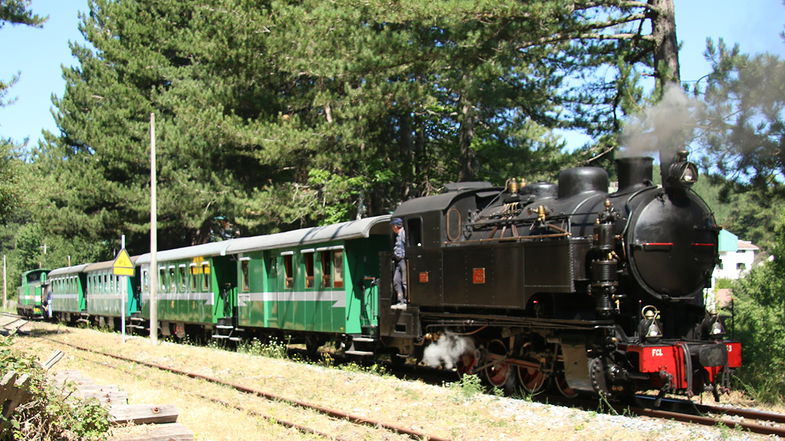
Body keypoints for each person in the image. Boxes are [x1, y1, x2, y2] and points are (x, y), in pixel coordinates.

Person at [390, 218, 407, 309]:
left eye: (392, 226)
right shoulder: (397, 235)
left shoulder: (403, 233)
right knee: (396, 280)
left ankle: (406, 300)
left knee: (404, 281)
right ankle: (400, 300)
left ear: (395, 226)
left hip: (403, 260)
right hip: (398, 261)